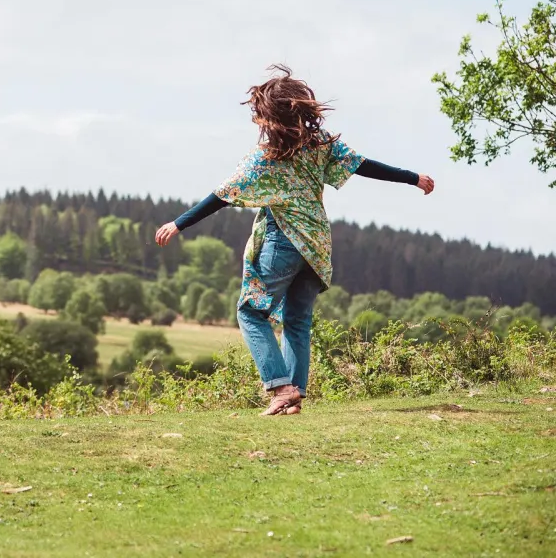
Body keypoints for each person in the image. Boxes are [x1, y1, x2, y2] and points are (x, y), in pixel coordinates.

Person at [154, 65, 434, 416]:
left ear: (269, 114)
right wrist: (414, 178)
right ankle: (294, 397)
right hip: (316, 247)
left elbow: (223, 195)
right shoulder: (321, 146)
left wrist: (179, 223)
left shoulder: (267, 158)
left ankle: (279, 385)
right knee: (297, 322)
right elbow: (364, 165)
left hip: (282, 243)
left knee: (251, 312)